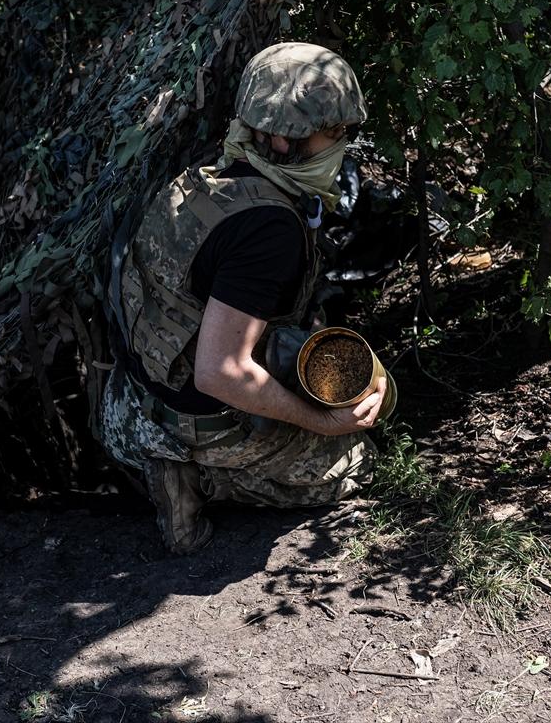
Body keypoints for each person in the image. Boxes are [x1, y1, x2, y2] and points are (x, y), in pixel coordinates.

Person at [100, 42, 388, 554]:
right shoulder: (268, 230)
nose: (341, 143)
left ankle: (166, 456)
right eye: (334, 131)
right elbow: (220, 372)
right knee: (357, 462)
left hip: (131, 401)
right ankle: (199, 480)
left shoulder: (207, 180)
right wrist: (322, 420)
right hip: (191, 423)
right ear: (283, 139)